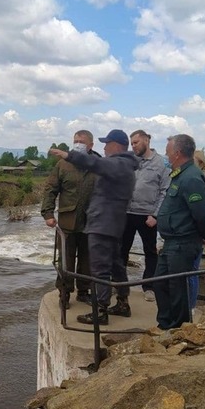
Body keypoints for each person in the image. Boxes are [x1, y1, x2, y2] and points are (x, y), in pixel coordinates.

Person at [50, 129, 138, 325]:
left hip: (102, 224)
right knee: (116, 265)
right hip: (111, 223)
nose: (104, 147)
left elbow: (94, 163)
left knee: (99, 269)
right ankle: (123, 303)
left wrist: (69, 155)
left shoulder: (118, 164)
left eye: (107, 143)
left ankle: (100, 311)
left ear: (116, 145)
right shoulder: (125, 165)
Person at [154, 134, 205, 330]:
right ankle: (165, 324)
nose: (166, 156)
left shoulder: (192, 177)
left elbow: (201, 213)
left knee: (178, 288)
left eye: (168, 152)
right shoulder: (179, 174)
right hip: (172, 242)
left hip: (183, 242)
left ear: (177, 153)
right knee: (160, 283)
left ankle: (178, 329)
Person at [41, 130, 97, 307]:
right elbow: (50, 189)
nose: (77, 144)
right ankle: (64, 292)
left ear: (91, 145)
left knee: (88, 258)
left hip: (91, 220)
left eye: (81, 141)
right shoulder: (63, 165)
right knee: (66, 258)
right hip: (67, 219)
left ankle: (84, 291)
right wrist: (48, 214)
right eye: (75, 141)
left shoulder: (98, 164)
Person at [121, 130, 171, 302]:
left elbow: (165, 191)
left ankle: (149, 286)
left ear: (147, 140)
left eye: (136, 142)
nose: (133, 146)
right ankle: (120, 285)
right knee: (121, 251)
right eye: (132, 143)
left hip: (147, 216)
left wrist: (155, 215)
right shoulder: (129, 161)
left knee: (150, 252)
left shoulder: (162, 163)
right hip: (127, 213)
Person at [188, 149, 205, 309]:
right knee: (190, 270)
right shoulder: (199, 179)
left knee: (191, 271)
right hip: (198, 230)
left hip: (197, 232)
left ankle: (190, 306)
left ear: (200, 163)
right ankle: (188, 305)